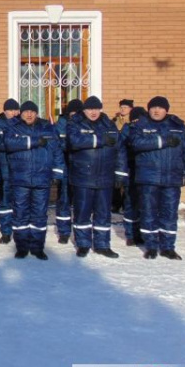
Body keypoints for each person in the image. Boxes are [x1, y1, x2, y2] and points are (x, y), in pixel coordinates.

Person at [127, 96, 185, 260]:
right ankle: (150, 246)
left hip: (172, 177)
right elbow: (136, 143)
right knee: (148, 213)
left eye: (160, 108)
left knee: (170, 213)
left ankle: (168, 247)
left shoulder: (178, 126)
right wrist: (161, 141)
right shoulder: (141, 125)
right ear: (148, 109)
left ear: (166, 109)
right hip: (148, 177)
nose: (156, 110)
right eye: (153, 107)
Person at [66, 96, 128, 258]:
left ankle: (102, 245)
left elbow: (120, 150)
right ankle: (83, 244)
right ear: (84, 110)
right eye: (89, 109)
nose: (93, 112)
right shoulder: (75, 123)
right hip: (83, 177)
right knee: (82, 212)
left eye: (96, 109)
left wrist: (120, 173)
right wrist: (99, 139)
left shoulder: (109, 125)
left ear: (100, 109)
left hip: (105, 177)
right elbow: (75, 141)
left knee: (103, 213)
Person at [3, 101, 65, 260]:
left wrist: (57, 173)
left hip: (42, 179)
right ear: (21, 113)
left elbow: (57, 151)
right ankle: (22, 247)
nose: (29, 114)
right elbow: (9, 144)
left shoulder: (48, 128)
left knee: (39, 215)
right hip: (20, 179)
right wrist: (34, 141)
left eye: (32, 111)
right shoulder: (13, 128)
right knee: (20, 215)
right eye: (26, 112)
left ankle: (38, 248)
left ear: (37, 113)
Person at [53, 98, 83, 243]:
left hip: (81, 167)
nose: (75, 115)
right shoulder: (61, 124)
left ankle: (80, 231)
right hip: (65, 166)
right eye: (72, 112)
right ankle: (64, 231)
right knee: (64, 199)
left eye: (78, 112)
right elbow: (58, 145)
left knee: (80, 201)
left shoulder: (84, 123)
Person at [0, 98, 20, 244]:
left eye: (16, 110)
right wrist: (15, 143)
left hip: (21, 171)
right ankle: (6, 232)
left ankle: (20, 231)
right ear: (4, 111)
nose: (14, 113)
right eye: (10, 110)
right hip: (4, 171)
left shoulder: (23, 124)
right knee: (4, 203)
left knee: (21, 203)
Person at [120, 106, 147, 246]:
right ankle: (131, 234)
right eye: (135, 119)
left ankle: (143, 233)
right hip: (131, 169)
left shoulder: (148, 129)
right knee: (131, 203)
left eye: (140, 119)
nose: (137, 121)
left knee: (145, 204)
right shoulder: (127, 129)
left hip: (146, 171)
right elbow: (121, 148)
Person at [112, 99, 134, 213]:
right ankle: (116, 204)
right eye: (121, 107)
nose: (123, 109)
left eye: (125, 107)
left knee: (128, 182)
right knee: (115, 180)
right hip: (116, 153)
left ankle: (127, 204)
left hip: (128, 154)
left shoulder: (133, 121)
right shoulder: (115, 121)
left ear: (131, 109)